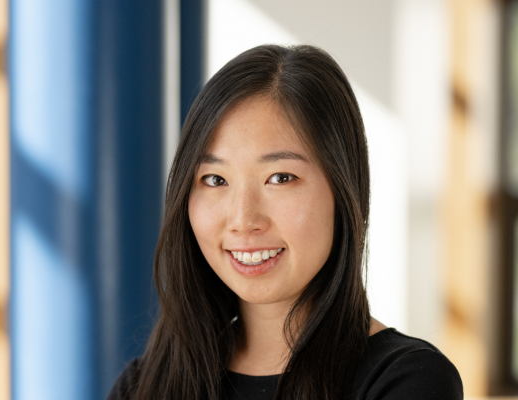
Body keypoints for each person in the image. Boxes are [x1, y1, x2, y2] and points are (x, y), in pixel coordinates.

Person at [107, 44, 463, 400]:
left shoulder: (409, 380)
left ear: (343, 189)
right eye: (215, 179)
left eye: (280, 178)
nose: (244, 220)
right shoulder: (145, 384)